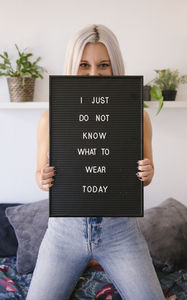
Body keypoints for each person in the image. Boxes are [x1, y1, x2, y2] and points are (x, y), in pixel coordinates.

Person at [26, 24, 165, 300]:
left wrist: (147, 172)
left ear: (115, 67)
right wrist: (42, 177)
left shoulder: (138, 117)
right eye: (83, 64)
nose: (93, 72)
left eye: (103, 64)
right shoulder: (50, 119)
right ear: (71, 66)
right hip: (63, 233)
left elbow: (146, 175)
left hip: (120, 231)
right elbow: (40, 176)